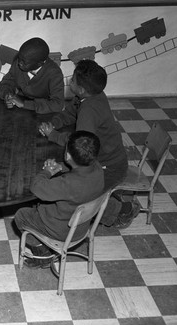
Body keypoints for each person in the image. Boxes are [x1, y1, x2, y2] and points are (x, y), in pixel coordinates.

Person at [38, 59, 138, 229]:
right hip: (104, 160)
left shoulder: (89, 110)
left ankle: (122, 211)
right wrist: (55, 123)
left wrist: (54, 136)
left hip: (107, 167)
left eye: (74, 80)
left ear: (82, 89)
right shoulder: (90, 96)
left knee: (79, 195)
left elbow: (81, 144)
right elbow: (70, 114)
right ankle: (114, 200)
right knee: (63, 175)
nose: (70, 81)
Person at [14, 130, 104, 268]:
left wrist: (47, 171)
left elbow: (37, 187)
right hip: (82, 227)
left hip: (61, 231)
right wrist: (60, 166)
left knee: (21, 215)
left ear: (67, 155)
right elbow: (79, 171)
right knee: (40, 205)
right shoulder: (98, 169)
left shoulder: (67, 183)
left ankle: (42, 254)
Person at [0, 37, 64, 114]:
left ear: (40, 63)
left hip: (43, 111)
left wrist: (25, 104)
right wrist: (7, 94)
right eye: (19, 58)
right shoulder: (18, 63)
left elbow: (58, 104)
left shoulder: (54, 73)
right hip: (20, 105)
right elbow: (8, 81)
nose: (19, 63)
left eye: (24, 62)